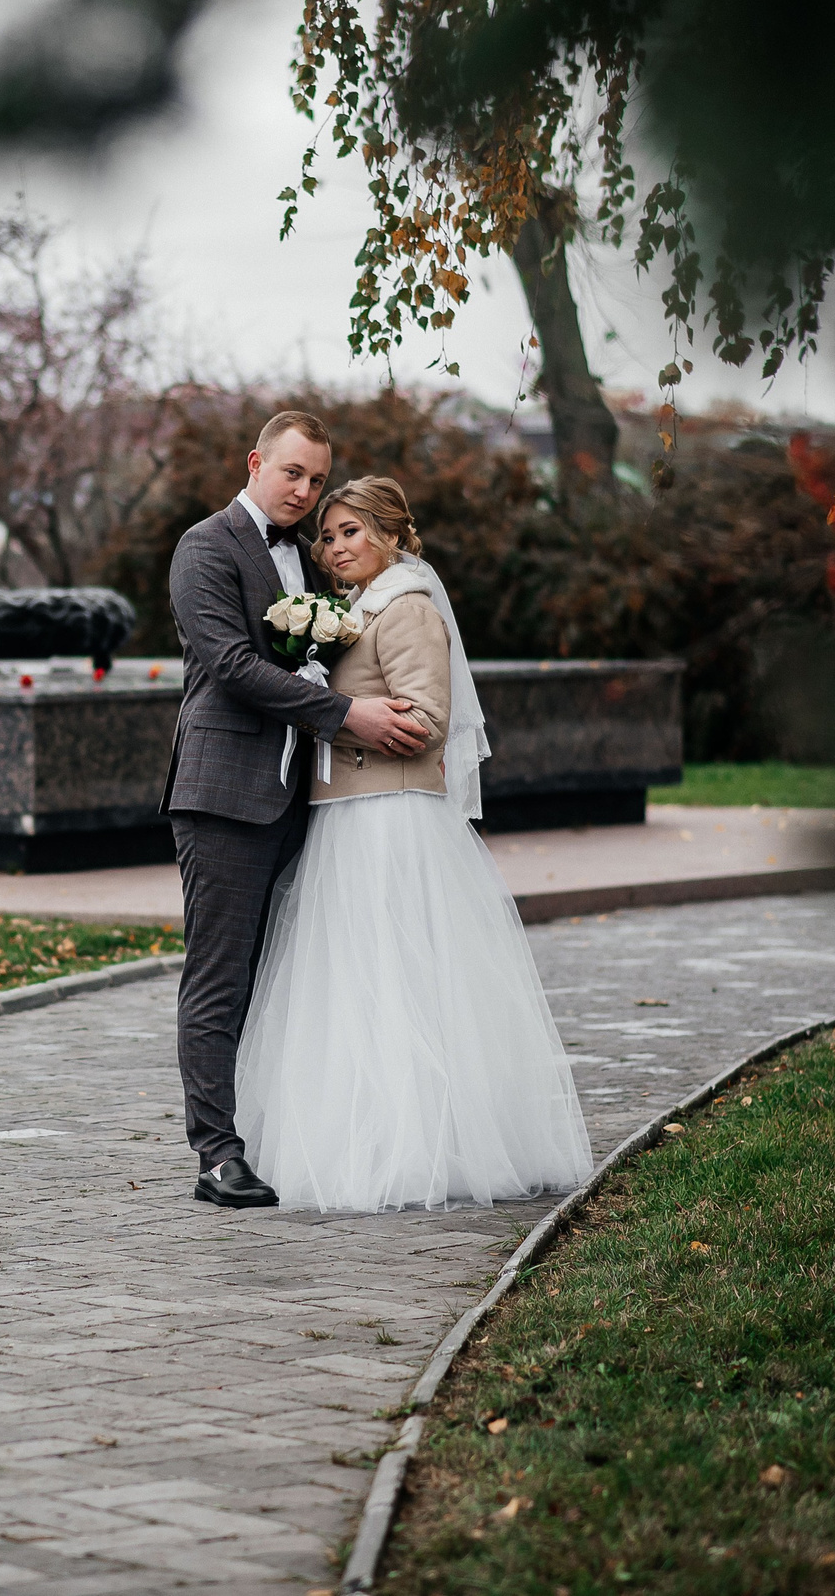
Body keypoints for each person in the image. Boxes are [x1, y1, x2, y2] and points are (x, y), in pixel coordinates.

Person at [233, 477, 593, 1211]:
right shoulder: (351, 612)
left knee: (397, 976)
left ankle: (422, 1146)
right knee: (355, 981)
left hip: (390, 818)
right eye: (328, 536)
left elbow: (427, 719)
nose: (334, 547)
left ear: (392, 535)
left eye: (351, 532)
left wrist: (338, 716)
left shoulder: (406, 609)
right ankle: (364, 1136)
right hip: (348, 816)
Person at [161, 412, 436, 1208]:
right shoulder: (205, 548)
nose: (305, 492)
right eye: (293, 474)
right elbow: (236, 666)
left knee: (287, 976)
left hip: (304, 798)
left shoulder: (310, 566)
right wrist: (351, 717)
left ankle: (279, 1133)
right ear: (255, 462)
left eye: (316, 480)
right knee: (221, 976)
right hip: (224, 794)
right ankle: (216, 1152)